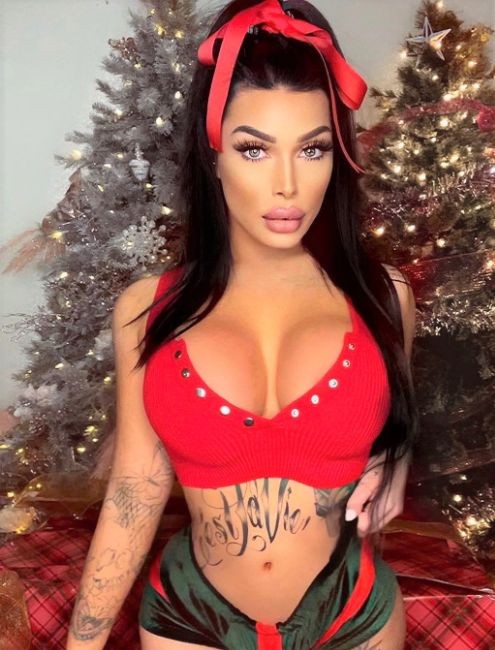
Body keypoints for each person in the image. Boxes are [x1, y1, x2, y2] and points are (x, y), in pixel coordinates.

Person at [67, 1, 418, 648]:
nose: (287, 185)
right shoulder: (148, 310)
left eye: (312, 149)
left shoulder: (383, 296)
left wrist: (395, 457)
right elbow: (135, 492)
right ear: (214, 155)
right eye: (254, 149)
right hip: (192, 619)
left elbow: (395, 419)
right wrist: (81, 645)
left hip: (350, 613)